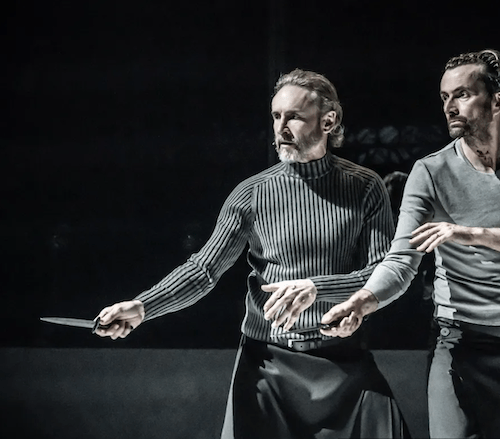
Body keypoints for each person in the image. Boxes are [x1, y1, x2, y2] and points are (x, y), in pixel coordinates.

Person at [94, 69, 410, 439]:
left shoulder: (365, 187)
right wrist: (143, 306)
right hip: (266, 366)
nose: (281, 127)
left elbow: (381, 272)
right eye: (276, 116)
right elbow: (204, 269)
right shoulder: (252, 194)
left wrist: (316, 288)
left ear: (329, 121)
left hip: (344, 361)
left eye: (294, 116)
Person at [321, 49, 500, 438]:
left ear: (497, 101)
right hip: (458, 343)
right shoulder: (430, 171)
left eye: (462, 94)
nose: (449, 106)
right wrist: (360, 302)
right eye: (444, 97)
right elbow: (400, 261)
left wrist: (468, 232)